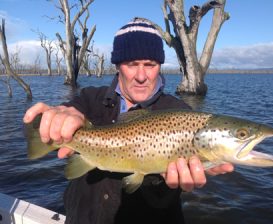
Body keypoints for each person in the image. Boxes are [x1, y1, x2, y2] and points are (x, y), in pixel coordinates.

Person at [23, 18, 234, 224]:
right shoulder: (89, 98)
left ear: (159, 66)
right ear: (117, 65)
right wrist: (62, 118)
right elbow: (72, 112)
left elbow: (167, 197)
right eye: (132, 64)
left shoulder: (180, 113)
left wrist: (162, 177)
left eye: (150, 64)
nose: (141, 76)